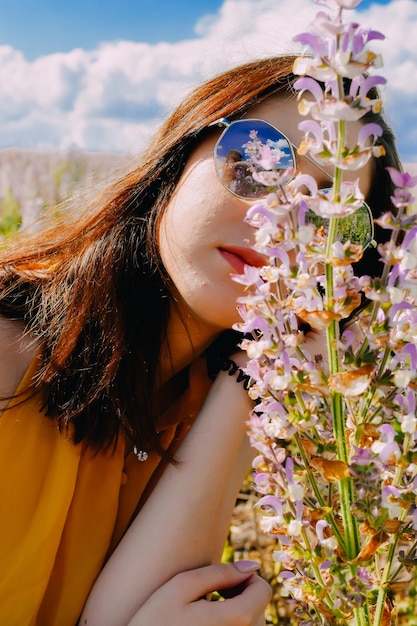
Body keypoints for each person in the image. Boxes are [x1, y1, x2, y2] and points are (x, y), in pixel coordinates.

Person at [0, 54, 402, 625]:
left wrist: (255, 378)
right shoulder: (8, 353)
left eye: (327, 219)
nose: (278, 223)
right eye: (260, 161)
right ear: (180, 151)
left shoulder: (204, 402)